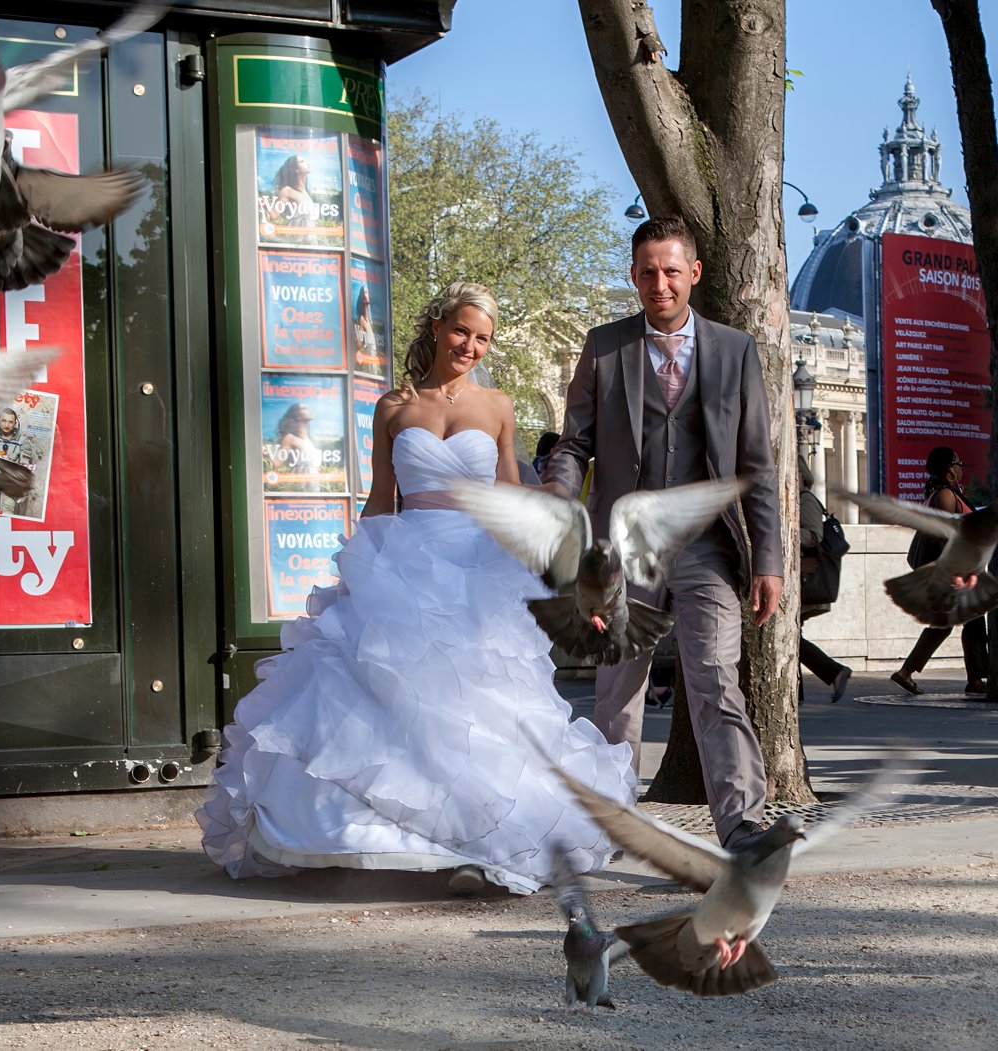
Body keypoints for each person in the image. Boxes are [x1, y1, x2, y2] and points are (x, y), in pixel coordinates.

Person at [198, 281, 636, 896]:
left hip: (478, 565)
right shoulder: (391, 407)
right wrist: (359, 573)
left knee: (478, 702)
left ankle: (480, 838)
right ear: (437, 326)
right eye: (462, 331)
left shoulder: (499, 406)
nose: (471, 347)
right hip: (404, 558)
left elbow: (508, 495)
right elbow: (382, 499)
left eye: (483, 339)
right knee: (386, 690)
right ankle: (369, 835)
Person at [541, 216, 782, 851]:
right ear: (633, 276)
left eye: (672, 270)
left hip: (709, 546)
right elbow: (575, 444)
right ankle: (615, 822)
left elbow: (757, 465)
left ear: (694, 274)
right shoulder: (607, 347)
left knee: (714, 678)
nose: (660, 283)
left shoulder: (735, 351)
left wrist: (770, 560)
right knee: (617, 688)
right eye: (647, 272)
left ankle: (741, 825)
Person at [890, 446, 990, 696]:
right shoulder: (945, 495)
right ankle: (975, 680)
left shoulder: (947, 493)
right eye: (957, 463)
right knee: (969, 623)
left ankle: (908, 672)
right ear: (948, 470)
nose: (960, 467)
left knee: (951, 623)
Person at [797, 456, 852, 703]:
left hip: (806, 578)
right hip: (800, 578)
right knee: (791, 639)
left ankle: (834, 672)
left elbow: (813, 537)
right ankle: (797, 693)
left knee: (789, 638)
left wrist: (781, 528)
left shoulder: (805, 499)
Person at [270, 402, 322, 487]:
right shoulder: (290, 439)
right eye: (304, 408)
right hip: (300, 485)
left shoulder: (309, 440)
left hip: (313, 483)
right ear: (297, 416)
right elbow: (276, 463)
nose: (309, 410)